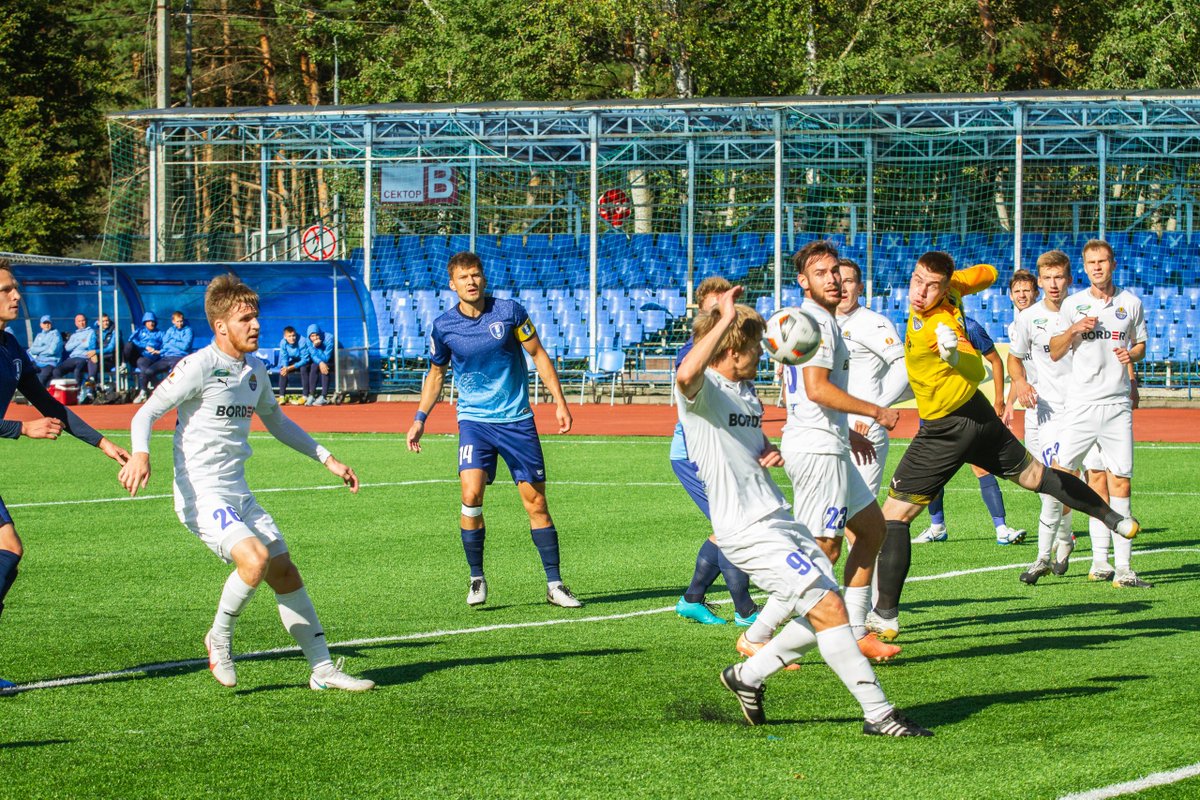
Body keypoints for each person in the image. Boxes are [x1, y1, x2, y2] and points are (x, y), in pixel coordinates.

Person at [675, 285, 930, 736]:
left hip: (778, 517)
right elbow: (684, 375)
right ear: (732, 348)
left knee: (822, 611)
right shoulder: (705, 388)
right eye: (755, 346)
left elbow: (750, 446)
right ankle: (879, 713)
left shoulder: (746, 392)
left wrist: (771, 449)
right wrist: (723, 318)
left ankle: (747, 676)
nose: (764, 353)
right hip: (747, 529)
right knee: (832, 610)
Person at [118, 273, 372, 691]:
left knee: (284, 571)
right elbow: (144, 413)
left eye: (256, 317)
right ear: (221, 326)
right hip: (201, 492)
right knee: (253, 560)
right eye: (245, 319)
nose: (255, 325)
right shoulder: (197, 366)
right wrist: (141, 453)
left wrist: (327, 458)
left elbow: (276, 420)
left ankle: (323, 670)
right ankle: (218, 639)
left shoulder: (255, 369)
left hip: (238, 491)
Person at [869, 252, 1139, 642]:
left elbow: (975, 368)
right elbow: (990, 272)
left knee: (893, 517)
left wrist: (951, 352)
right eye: (917, 281)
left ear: (943, 288)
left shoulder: (941, 322)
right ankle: (1115, 519)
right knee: (1036, 476)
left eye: (931, 286)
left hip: (946, 428)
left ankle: (885, 616)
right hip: (978, 418)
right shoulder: (953, 288)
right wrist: (967, 280)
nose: (921, 291)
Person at [741, 242, 902, 666]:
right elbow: (817, 389)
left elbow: (811, 398)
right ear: (803, 282)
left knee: (871, 530)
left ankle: (856, 627)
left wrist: (849, 435)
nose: (831, 279)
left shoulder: (814, 320)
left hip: (829, 442)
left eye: (835, 271)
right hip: (816, 451)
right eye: (820, 273)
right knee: (823, 552)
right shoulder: (818, 323)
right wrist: (876, 411)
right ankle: (757, 634)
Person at [407, 251, 581, 609]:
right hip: (474, 422)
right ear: (452, 284)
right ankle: (476, 578)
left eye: (476, 275)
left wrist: (560, 402)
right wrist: (420, 418)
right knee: (470, 496)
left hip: (517, 420)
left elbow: (539, 355)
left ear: (483, 278)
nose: (471, 281)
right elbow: (436, 375)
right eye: (464, 277)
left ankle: (555, 584)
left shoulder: (510, 312)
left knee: (536, 504)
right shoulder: (443, 327)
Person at [0, 260, 130, 689]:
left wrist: (102, 443)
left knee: (9, 552)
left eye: (15, 288)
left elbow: (50, 406)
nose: (15, 296)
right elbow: (33, 420)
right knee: (9, 548)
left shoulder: (11, 348)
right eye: (5, 290)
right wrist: (21, 429)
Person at [1048, 239, 1150, 588]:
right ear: (1084, 267)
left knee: (1120, 480)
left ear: (1113, 263)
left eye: (1102, 261)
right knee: (1076, 477)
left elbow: (1140, 344)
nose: (1097, 267)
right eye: (1091, 262)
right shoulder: (1073, 305)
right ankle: (1096, 561)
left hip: (1117, 404)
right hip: (1081, 405)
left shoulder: (1131, 303)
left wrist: (1132, 357)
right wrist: (1074, 330)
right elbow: (1055, 351)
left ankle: (1124, 569)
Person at [672, 276, 760, 628]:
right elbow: (688, 376)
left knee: (728, 527)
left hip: (726, 460)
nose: (721, 313)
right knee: (732, 528)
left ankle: (692, 599)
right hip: (694, 456)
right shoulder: (697, 353)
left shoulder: (743, 373)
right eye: (714, 308)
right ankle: (744, 609)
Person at [913, 313, 1027, 546]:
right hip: (933, 411)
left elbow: (996, 360)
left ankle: (1001, 527)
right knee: (931, 471)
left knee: (980, 466)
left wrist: (998, 400)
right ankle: (937, 526)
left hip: (964, 409)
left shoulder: (969, 326)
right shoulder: (919, 328)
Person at [1008, 255, 1079, 585]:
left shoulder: (1082, 309)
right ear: (1041, 281)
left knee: (1078, 481)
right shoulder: (1028, 320)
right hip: (1044, 412)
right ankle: (1061, 541)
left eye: (1059, 277)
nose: (1053, 283)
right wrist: (1018, 385)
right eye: (1047, 278)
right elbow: (1013, 359)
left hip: (1083, 410)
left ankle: (1048, 557)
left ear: (1068, 278)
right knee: (1047, 484)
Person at [835, 258, 909, 498]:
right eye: (839, 281)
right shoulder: (823, 322)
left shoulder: (873, 323)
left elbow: (903, 368)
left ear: (860, 288)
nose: (843, 288)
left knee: (859, 507)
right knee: (830, 505)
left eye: (849, 281)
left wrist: (875, 411)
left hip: (864, 426)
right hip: (832, 426)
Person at [139, 311, 193, 397]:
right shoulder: (170, 330)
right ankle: (147, 392)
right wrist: (160, 351)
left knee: (172, 376)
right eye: (177, 321)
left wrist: (171, 342)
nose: (180, 323)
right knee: (148, 371)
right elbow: (164, 344)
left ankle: (172, 395)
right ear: (173, 321)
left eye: (181, 321)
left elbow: (185, 346)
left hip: (180, 357)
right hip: (166, 357)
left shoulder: (188, 330)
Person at [52, 314, 98, 399]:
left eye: (83, 320)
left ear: (86, 321)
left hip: (83, 357)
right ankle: (64, 391)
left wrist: (76, 343)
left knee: (78, 370)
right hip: (72, 358)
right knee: (56, 371)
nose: (81, 323)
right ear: (76, 323)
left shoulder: (91, 332)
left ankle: (78, 393)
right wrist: (80, 341)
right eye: (79, 321)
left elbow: (87, 344)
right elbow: (67, 347)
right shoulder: (74, 335)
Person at [123, 311, 163, 400]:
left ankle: (146, 390)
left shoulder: (160, 333)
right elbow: (131, 339)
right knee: (129, 346)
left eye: (153, 321)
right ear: (145, 322)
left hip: (153, 357)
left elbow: (165, 345)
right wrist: (145, 346)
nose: (151, 323)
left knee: (144, 366)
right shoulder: (140, 331)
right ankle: (124, 363)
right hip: (140, 356)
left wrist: (157, 351)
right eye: (149, 321)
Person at [303, 324, 334, 406]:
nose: (315, 338)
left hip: (334, 360)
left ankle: (324, 396)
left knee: (324, 366)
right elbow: (313, 355)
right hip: (319, 361)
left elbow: (327, 358)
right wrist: (320, 362)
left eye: (317, 335)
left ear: (320, 333)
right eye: (312, 336)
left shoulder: (329, 338)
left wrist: (317, 347)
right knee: (314, 366)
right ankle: (312, 395)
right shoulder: (308, 341)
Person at [27, 315, 63, 387]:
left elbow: (52, 351)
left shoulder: (56, 335)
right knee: (27, 374)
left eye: (48, 323)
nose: (47, 325)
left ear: (51, 324)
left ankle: (38, 397)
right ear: (41, 325)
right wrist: (46, 347)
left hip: (50, 362)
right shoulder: (39, 335)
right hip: (38, 362)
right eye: (44, 323)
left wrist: (39, 350)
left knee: (41, 379)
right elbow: (33, 350)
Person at [277, 326, 311, 401]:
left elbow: (305, 359)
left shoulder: (302, 340)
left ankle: (305, 396)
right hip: (295, 360)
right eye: (289, 336)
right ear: (285, 337)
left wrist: (290, 368)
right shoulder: (283, 342)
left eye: (294, 335)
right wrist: (286, 367)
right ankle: (282, 396)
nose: (292, 338)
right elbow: (284, 357)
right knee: (283, 370)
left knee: (303, 369)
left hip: (306, 361)